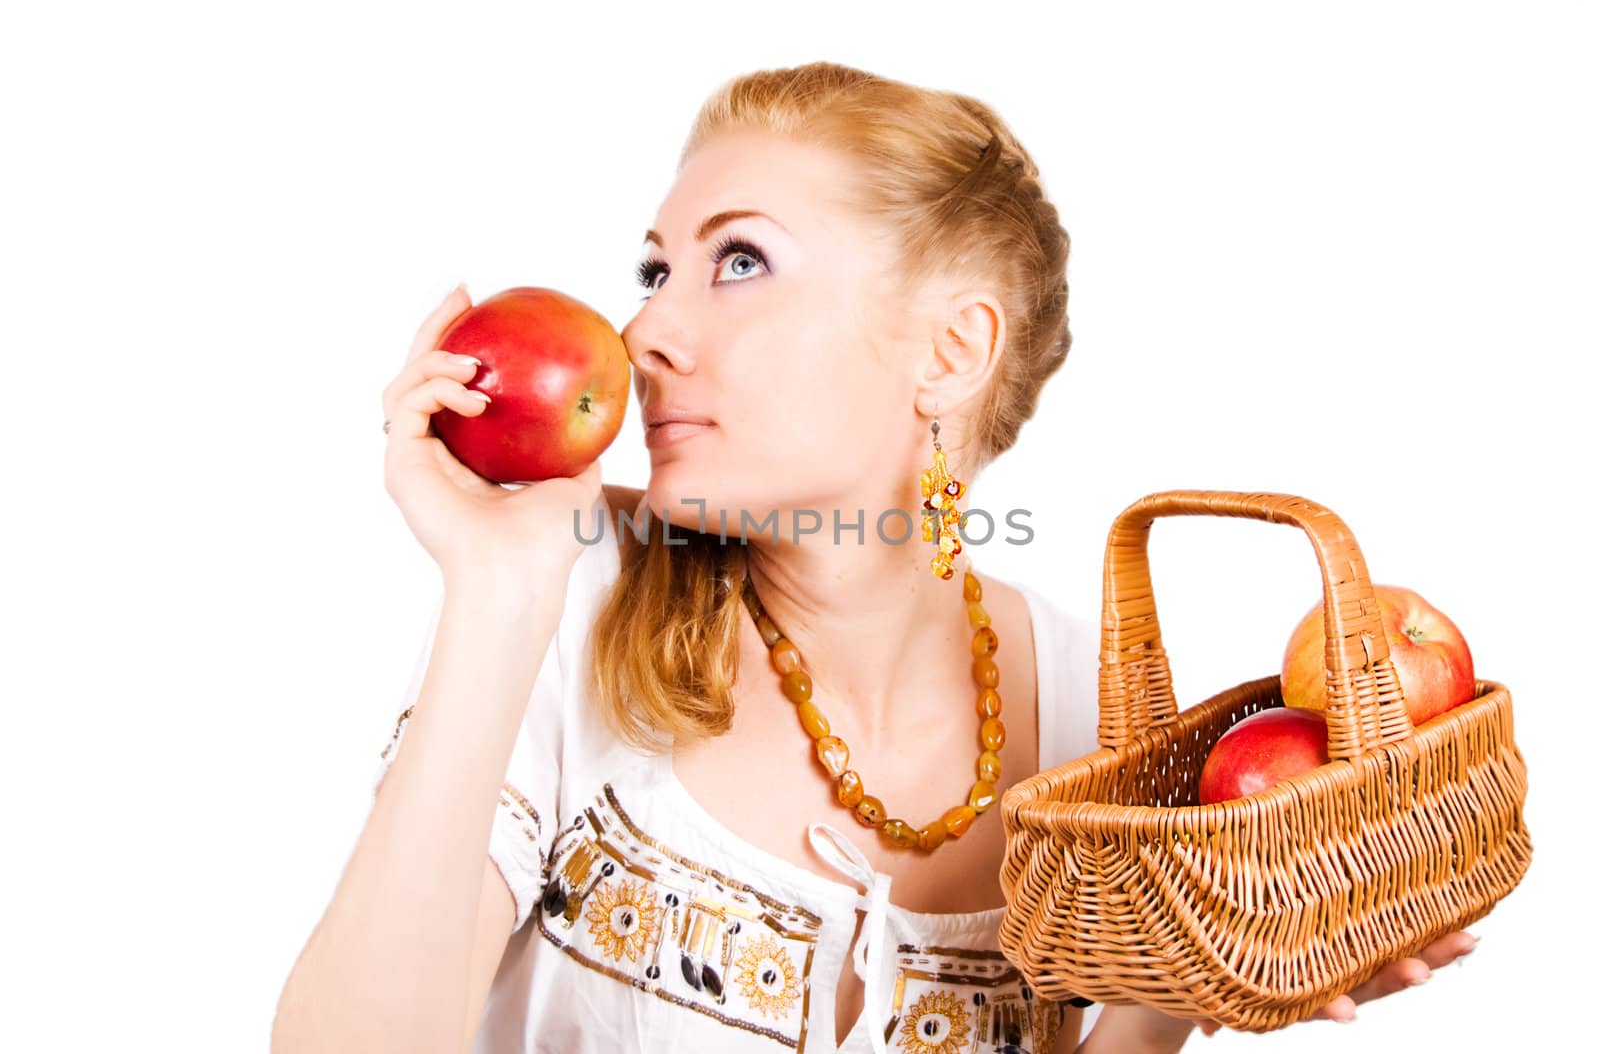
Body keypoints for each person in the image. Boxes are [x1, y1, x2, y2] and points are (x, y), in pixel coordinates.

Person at [271, 62, 1477, 1054]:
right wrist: (493, 591)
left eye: (737, 261)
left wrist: (1183, 980)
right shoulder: (561, 608)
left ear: (951, 351)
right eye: (655, 270)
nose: (643, 333)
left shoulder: (1091, 710)